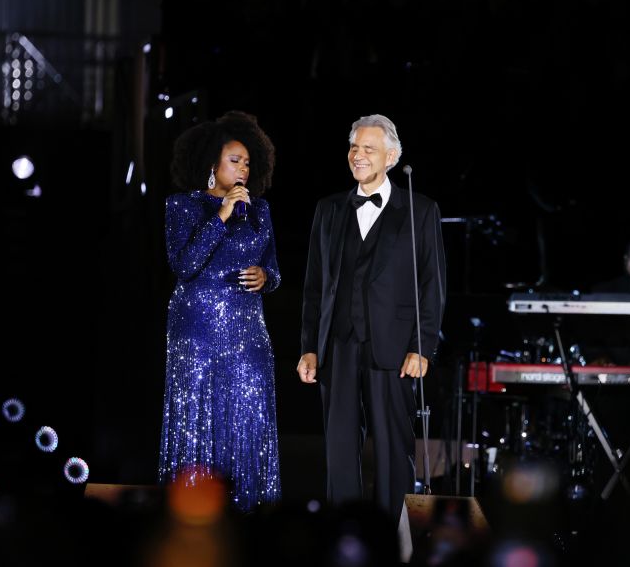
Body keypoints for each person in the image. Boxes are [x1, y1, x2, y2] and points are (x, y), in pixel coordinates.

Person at [297, 114, 446, 528]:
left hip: (394, 346)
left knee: (392, 446)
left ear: (391, 157)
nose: (358, 156)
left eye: (369, 149)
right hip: (338, 343)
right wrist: (309, 346)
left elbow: (432, 286)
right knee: (340, 446)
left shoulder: (420, 209)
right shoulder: (328, 210)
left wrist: (422, 346)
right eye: (354, 148)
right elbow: (314, 286)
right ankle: (343, 533)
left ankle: (393, 535)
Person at [158, 110, 281, 512]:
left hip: (247, 332)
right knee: (198, 423)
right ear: (212, 165)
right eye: (234, 160)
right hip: (196, 329)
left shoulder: (260, 211)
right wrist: (224, 214)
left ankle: (249, 514)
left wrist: (267, 276)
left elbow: (274, 269)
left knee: (247, 419)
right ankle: (193, 513)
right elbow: (185, 264)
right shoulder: (182, 206)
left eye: (247, 162)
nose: (243, 168)